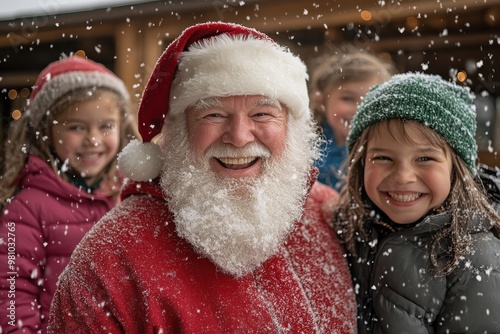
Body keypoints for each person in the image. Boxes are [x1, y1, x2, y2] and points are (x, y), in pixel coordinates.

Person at [48, 22, 357, 333]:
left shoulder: (329, 214)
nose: (238, 137)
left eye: (262, 113)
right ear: (179, 131)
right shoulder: (110, 260)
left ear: (291, 126)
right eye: (213, 114)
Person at [332, 72, 500, 333]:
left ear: (456, 169)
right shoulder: (352, 229)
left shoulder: (477, 256)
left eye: (424, 159)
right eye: (384, 158)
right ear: (362, 162)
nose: (402, 177)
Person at [0, 55, 138, 333]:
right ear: (46, 132)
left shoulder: (130, 195)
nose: (94, 140)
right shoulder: (25, 208)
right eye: (76, 127)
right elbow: (10, 293)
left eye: (105, 126)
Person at [309, 46, 396, 190]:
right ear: (322, 102)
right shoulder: (305, 150)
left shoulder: (389, 148)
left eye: (371, 99)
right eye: (348, 99)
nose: (359, 109)